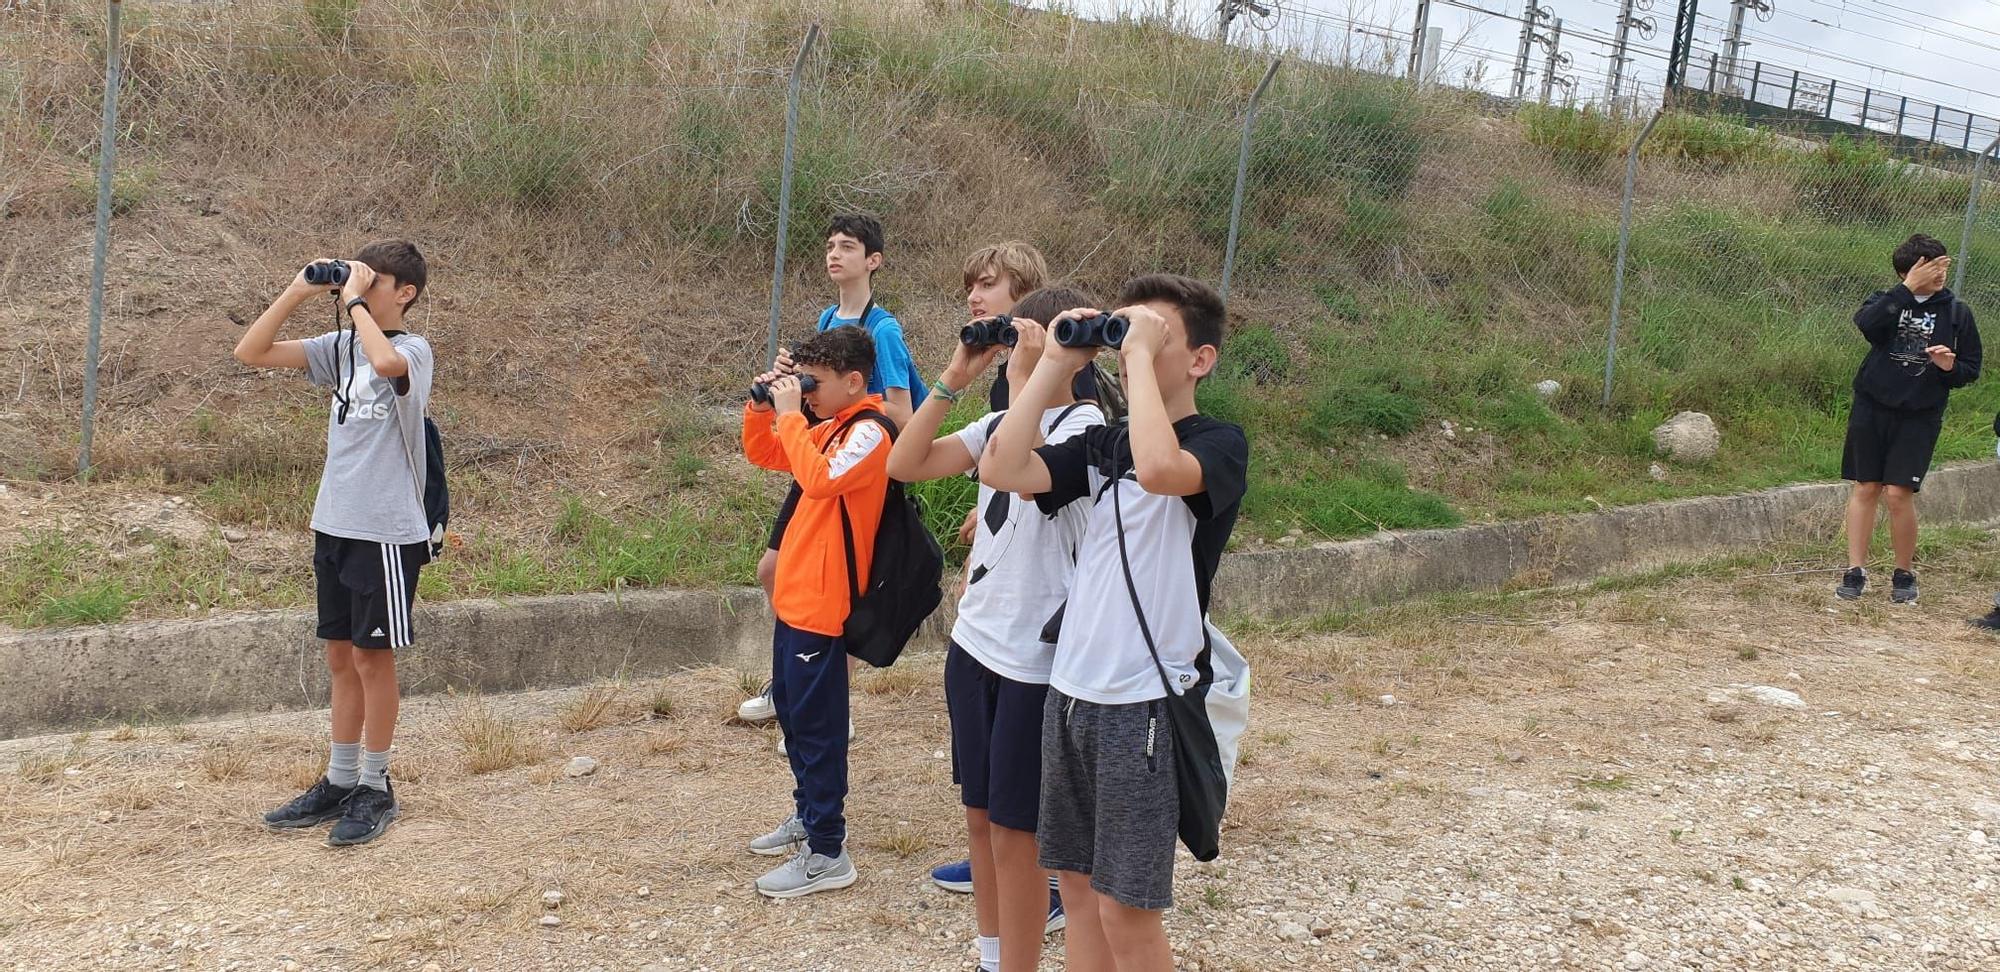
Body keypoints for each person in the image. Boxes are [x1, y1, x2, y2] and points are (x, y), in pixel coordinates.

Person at [980, 274, 1248, 972]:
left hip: (1143, 703)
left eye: (1152, 335)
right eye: (1121, 331)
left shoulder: (1220, 443)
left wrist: (1132, 360)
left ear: (1200, 360)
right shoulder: (1107, 444)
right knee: (1076, 886)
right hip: (1071, 693)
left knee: (1126, 913)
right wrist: (1051, 370)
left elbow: (1162, 469)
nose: (1129, 345)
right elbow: (1004, 466)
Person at [888, 287, 1101, 972]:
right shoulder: (1007, 418)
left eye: (1034, 342)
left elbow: (1018, 465)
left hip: (1035, 660)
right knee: (979, 817)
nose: (1018, 353)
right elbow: (905, 463)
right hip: (976, 642)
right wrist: (955, 376)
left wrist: (1031, 375)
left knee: (1017, 834)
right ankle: (989, 956)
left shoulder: (1092, 433)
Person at [235, 240, 435, 847]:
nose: (364, 286)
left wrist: (354, 303)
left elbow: (386, 366)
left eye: (378, 281)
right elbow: (251, 351)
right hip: (336, 523)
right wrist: (300, 289)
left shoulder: (412, 348)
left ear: (405, 293)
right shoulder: (341, 345)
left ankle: (376, 784)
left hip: (386, 529)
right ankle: (341, 778)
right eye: (359, 277)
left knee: (374, 658)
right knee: (340, 658)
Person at [739, 215, 925, 740]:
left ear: (874, 260)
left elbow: (898, 410)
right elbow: (821, 401)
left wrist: (821, 418)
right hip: (818, 449)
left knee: (840, 592)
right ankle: (797, 680)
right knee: (773, 569)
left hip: (855, 462)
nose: (834, 254)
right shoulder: (827, 316)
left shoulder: (882, 329)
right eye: (829, 244)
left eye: (847, 246)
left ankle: (822, 695)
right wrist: (788, 388)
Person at [740, 325, 896, 898]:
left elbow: (820, 478)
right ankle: (808, 817)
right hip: (797, 599)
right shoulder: (829, 425)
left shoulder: (873, 432)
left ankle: (828, 849)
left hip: (827, 605)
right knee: (794, 717)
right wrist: (765, 407)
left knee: (819, 728)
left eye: (817, 384)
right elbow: (766, 453)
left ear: (854, 381)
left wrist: (790, 415)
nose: (807, 394)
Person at [1837, 234, 1981, 604]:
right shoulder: (1885, 302)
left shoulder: (1957, 312)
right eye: (1933, 267)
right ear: (1909, 270)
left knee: (1899, 494)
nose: (1940, 274)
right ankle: (1855, 571)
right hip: (1872, 407)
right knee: (1866, 486)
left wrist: (1949, 367)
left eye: (1944, 265)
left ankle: (1904, 573)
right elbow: (1869, 326)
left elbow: (1970, 368)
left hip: (1920, 415)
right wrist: (1904, 291)